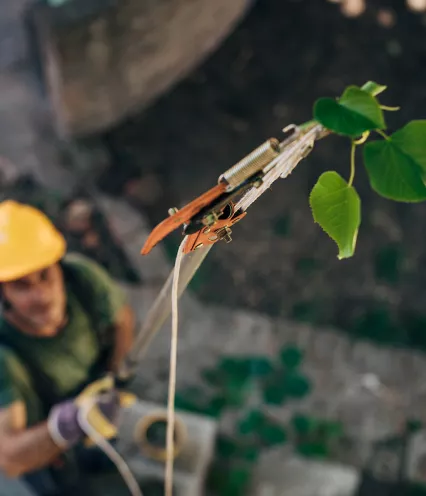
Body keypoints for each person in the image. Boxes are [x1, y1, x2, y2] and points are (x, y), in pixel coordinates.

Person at [0, 200, 135, 495]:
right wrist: (67, 426)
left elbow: (121, 320)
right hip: (49, 454)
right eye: (22, 285)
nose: (42, 295)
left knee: (103, 460)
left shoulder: (81, 278)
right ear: (3, 295)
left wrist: (117, 378)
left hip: (96, 403)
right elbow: (9, 458)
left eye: (45, 275)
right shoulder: (4, 352)